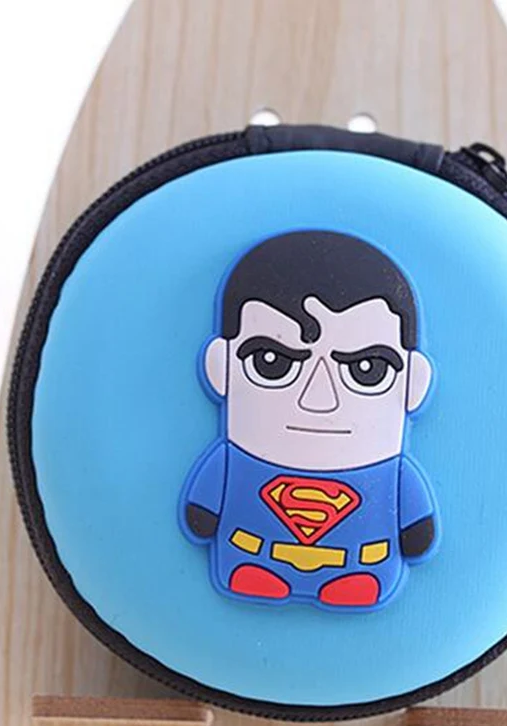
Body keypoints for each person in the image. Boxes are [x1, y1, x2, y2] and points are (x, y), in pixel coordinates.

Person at [180, 230, 439, 610]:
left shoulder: (393, 472)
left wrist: (415, 528)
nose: (318, 400)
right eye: (272, 362)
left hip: (359, 560)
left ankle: (352, 579)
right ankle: (259, 572)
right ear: (220, 368)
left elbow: (415, 523)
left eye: (366, 369)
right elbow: (202, 509)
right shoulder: (232, 458)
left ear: (414, 383)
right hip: (254, 552)